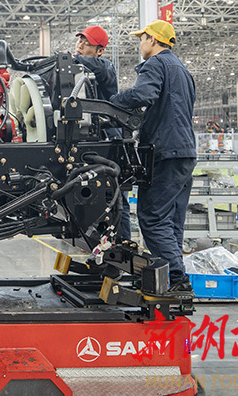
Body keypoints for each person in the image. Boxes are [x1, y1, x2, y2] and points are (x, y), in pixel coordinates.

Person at [110, 20, 196, 296]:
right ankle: (168, 277)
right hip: (185, 151)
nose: (140, 44)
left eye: (142, 38)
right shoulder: (182, 69)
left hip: (165, 152)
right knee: (171, 220)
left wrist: (113, 102)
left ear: (153, 39)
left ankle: (176, 277)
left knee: (152, 217)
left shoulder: (156, 64)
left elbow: (144, 94)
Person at [73, 26, 129, 240]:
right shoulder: (78, 74)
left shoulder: (105, 68)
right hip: (92, 142)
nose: (80, 45)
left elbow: (94, 66)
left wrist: (67, 58)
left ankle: (122, 243)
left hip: (111, 140)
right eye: (79, 41)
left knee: (115, 197)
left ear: (100, 50)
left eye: (86, 43)